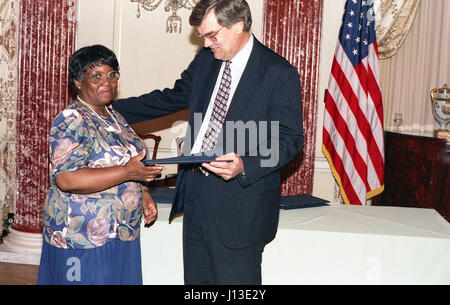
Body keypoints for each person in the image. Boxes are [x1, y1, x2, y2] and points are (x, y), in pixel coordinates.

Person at [112, 0, 303, 285]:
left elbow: (290, 137)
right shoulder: (206, 60)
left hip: (240, 204)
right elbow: (172, 98)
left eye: (212, 35)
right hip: (196, 194)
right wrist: (108, 109)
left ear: (238, 25)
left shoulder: (278, 72)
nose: (206, 43)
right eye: (202, 36)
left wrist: (245, 165)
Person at [37, 45, 164, 285]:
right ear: (77, 81)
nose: (107, 82)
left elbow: (128, 163)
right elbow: (66, 179)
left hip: (121, 232)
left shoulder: (114, 116)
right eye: (96, 76)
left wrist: (143, 192)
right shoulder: (72, 118)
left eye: (112, 74)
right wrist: (127, 172)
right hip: (81, 236)